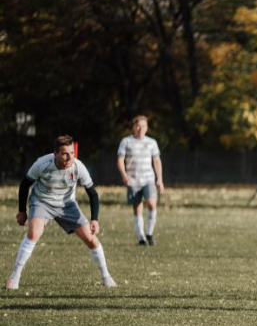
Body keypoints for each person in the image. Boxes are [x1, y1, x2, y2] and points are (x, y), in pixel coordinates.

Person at [6, 135, 116, 290]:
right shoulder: (42, 164)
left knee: (91, 239)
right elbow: (25, 184)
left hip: (67, 205)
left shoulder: (78, 167)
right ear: (55, 153)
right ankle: (14, 276)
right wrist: (22, 211)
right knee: (33, 234)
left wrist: (95, 219)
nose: (69, 157)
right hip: (42, 202)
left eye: (72, 153)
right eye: (64, 153)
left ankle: (106, 277)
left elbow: (93, 193)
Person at [117, 115, 164, 246]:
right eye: (138, 126)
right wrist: (124, 175)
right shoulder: (126, 141)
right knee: (137, 208)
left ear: (147, 127)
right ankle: (141, 237)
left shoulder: (152, 142)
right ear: (133, 127)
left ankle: (149, 233)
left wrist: (159, 179)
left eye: (143, 126)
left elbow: (156, 160)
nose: (140, 128)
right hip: (133, 180)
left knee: (151, 204)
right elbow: (120, 160)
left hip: (148, 179)